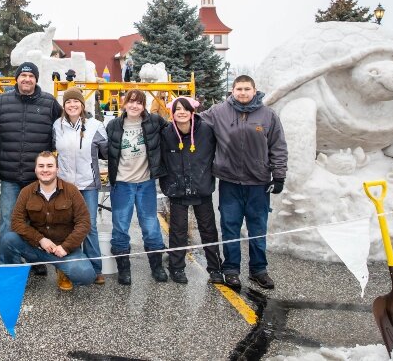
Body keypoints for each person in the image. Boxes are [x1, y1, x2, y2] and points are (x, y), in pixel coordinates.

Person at [200, 75, 287, 290]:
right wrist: (179, 110)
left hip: (258, 183)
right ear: (232, 90)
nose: (242, 93)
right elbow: (193, 123)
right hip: (230, 182)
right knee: (230, 227)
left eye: (247, 89)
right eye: (239, 89)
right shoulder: (219, 112)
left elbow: (278, 147)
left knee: (257, 229)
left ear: (255, 90)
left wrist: (279, 176)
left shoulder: (268, 116)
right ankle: (231, 270)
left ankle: (258, 270)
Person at [0, 61, 62, 267]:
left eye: (31, 76)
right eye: (23, 76)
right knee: (9, 222)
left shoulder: (49, 103)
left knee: (37, 223)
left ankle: (35, 262)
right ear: (17, 79)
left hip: (38, 178)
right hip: (10, 175)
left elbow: (64, 126)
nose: (27, 79)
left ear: (36, 79)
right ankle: (7, 264)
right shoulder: (1, 101)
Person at [0, 152, 96, 290]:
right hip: (37, 248)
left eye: (50, 166)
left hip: (64, 250)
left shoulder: (71, 191)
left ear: (57, 169)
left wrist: (66, 247)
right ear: (35, 170)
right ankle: (14, 277)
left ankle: (62, 268)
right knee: (8, 239)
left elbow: (84, 222)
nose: (45, 170)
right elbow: (16, 222)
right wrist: (40, 239)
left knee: (86, 276)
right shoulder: (26, 192)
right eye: (41, 166)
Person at [106, 89, 169, 285]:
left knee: (151, 226)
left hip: (145, 183)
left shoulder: (154, 122)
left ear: (144, 106)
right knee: (121, 227)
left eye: (139, 103)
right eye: (131, 102)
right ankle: (124, 269)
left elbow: (173, 135)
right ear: (125, 103)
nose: (134, 106)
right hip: (122, 184)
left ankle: (157, 266)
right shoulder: (114, 125)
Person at [160, 96, 223, 285]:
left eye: (185, 108)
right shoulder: (166, 133)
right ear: (172, 112)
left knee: (208, 230)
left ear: (192, 111)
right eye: (177, 109)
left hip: (201, 188)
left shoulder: (206, 130)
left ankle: (215, 268)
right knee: (178, 231)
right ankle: (177, 267)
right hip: (177, 190)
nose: (181, 112)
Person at [53, 87, 108, 284]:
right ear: (64, 106)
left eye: (76, 102)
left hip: (88, 185)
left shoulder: (96, 125)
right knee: (67, 226)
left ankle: (96, 268)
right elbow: (51, 151)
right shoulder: (57, 126)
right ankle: (67, 269)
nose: (72, 105)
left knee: (89, 226)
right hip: (65, 185)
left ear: (82, 105)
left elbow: (106, 152)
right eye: (68, 102)